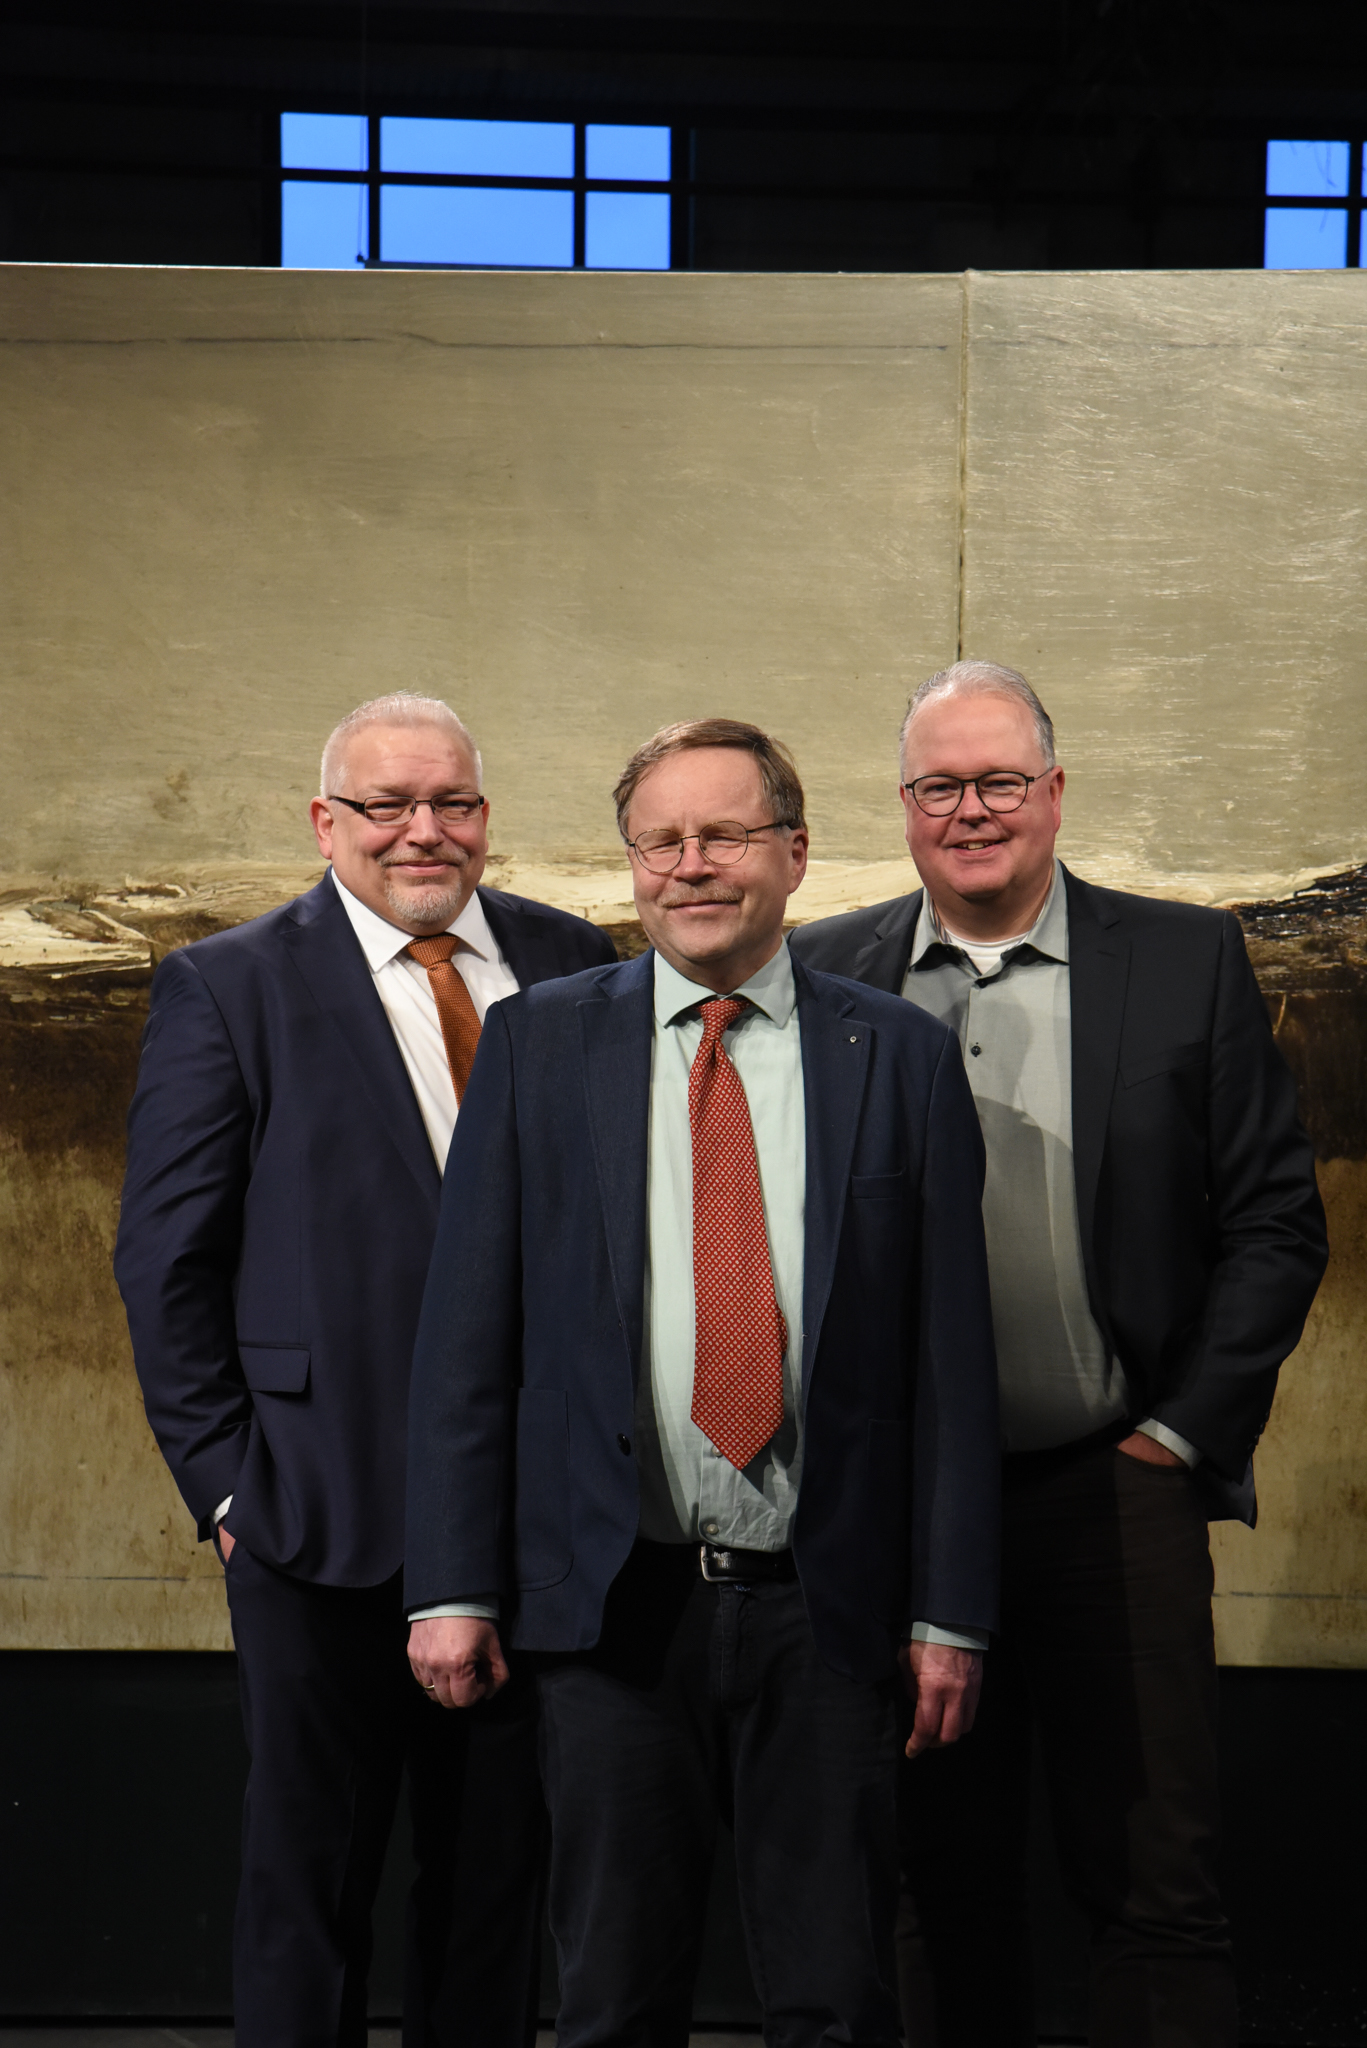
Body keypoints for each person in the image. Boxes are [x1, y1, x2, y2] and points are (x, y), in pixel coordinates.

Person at [404, 716, 1000, 2048]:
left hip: (829, 1612)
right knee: (612, 2001)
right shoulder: (539, 1045)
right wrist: (450, 1586)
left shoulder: (897, 1055)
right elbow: (466, 1340)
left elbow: (951, 1363)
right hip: (612, 1611)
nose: (690, 865)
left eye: (724, 835)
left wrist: (951, 1611)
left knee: (837, 2000)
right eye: (659, 840)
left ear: (795, 852)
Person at [789, 660, 1329, 2048]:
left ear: (1055, 792)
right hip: (905, 1516)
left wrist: (1178, 1438)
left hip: (1115, 1495)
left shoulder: (1184, 958)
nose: (971, 811)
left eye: (1000, 782)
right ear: (903, 804)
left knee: (1156, 1882)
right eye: (939, 787)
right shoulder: (822, 972)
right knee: (931, 1878)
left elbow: (1274, 1223)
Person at [114, 691, 616, 2048]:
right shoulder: (230, 984)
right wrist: (227, 1488)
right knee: (310, 1878)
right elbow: (165, 1261)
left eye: (450, 802)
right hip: (316, 1509)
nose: (421, 831)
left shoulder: (574, 963)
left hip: (535, 1518)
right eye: (386, 805)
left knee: (499, 1881)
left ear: (485, 817)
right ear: (324, 822)